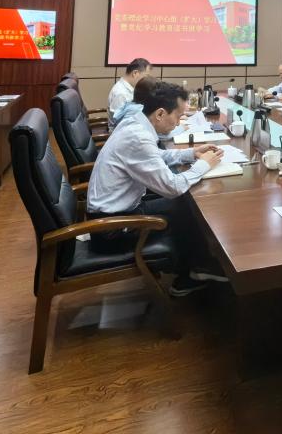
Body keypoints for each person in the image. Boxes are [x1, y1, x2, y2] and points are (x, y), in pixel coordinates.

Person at [86, 80, 227, 296]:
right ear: (160, 113)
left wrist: (190, 153)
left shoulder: (135, 121)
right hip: (111, 231)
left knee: (184, 204)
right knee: (187, 206)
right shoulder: (138, 137)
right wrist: (204, 165)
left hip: (115, 214)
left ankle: (196, 266)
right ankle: (193, 272)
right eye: (178, 116)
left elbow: (154, 155)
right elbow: (173, 187)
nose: (178, 122)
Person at [108, 57, 152, 125]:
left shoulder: (128, 87)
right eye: (146, 76)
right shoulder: (121, 94)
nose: (147, 80)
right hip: (123, 129)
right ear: (135, 73)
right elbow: (118, 123)